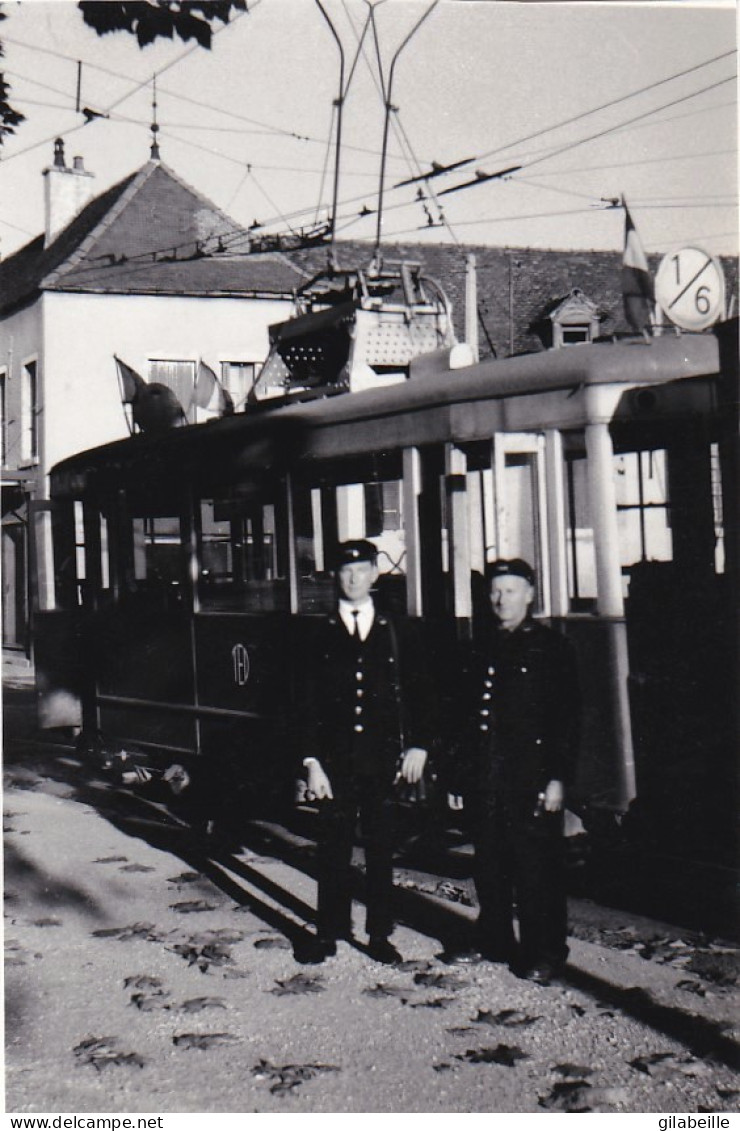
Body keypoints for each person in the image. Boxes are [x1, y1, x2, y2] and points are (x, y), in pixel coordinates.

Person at [298, 539, 432, 965]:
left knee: (379, 848)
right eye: (344, 570)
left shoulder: (398, 631)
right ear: (335, 577)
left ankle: (379, 934)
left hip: (383, 761)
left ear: (376, 574)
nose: (353, 577)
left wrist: (418, 745)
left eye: (361, 570)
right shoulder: (317, 634)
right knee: (332, 848)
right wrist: (311, 763)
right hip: (335, 762)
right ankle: (330, 932)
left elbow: (419, 692)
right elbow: (304, 704)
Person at [446, 558, 580, 984]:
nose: (500, 599)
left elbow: (568, 719)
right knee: (490, 862)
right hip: (487, 775)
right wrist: (457, 776)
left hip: (532, 777)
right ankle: (495, 939)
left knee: (537, 868)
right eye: (495, 591)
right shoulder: (481, 645)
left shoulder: (551, 647)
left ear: (530, 594)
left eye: (510, 590)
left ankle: (546, 952)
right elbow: (467, 720)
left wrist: (558, 777)